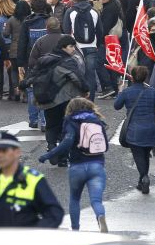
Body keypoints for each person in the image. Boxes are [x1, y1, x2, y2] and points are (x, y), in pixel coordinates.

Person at [39, 98, 108, 231]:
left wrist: (49, 155)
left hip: (78, 166)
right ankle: (100, 215)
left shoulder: (71, 121)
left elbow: (67, 143)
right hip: (97, 165)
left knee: (75, 199)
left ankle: (75, 229)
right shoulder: (96, 120)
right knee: (96, 200)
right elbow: (105, 145)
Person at [0, 131, 64, 228]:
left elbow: (54, 214)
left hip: (22, 241)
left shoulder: (33, 179)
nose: (0, 155)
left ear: (17, 152)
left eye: (4, 151)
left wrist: (33, 233)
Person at [31, 36, 89, 166]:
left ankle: (52, 147)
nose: (73, 49)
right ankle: (62, 158)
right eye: (71, 46)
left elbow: (33, 75)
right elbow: (76, 77)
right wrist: (85, 89)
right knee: (65, 127)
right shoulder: (68, 61)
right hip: (64, 99)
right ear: (63, 47)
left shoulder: (44, 59)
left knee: (51, 126)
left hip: (46, 99)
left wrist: (24, 84)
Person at [115, 66, 155, 193]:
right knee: (145, 154)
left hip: (134, 128)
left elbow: (116, 106)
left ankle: (144, 177)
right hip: (150, 127)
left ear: (131, 77)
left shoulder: (127, 92)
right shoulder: (152, 91)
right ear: (145, 78)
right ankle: (141, 181)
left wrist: (120, 91)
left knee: (138, 154)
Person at [62, 0, 101, 100]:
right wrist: (97, 45)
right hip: (92, 46)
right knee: (90, 75)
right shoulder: (94, 11)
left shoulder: (70, 11)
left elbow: (66, 30)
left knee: (76, 75)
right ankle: (90, 102)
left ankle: (77, 101)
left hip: (76, 48)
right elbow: (100, 31)